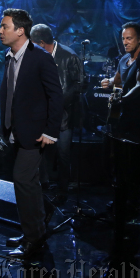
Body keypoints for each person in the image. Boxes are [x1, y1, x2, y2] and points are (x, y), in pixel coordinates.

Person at [0, 9, 63, 257]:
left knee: (23, 181)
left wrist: (50, 131)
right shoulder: (9, 56)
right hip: (16, 131)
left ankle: (33, 237)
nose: (0, 31)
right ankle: (34, 233)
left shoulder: (40, 57)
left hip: (35, 134)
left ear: (20, 30)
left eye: (5, 27)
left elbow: (55, 96)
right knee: (30, 184)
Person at [30, 24, 82, 204]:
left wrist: (60, 102)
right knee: (40, 151)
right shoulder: (37, 56)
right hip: (42, 114)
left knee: (63, 154)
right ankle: (43, 185)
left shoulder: (70, 56)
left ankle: (62, 190)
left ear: (42, 43)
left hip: (64, 116)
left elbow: (80, 84)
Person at [100, 22, 140, 143]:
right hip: (124, 115)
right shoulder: (124, 58)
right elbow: (117, 81)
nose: (125, 42)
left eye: (129, 38)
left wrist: (123, 99)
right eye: (123, 39)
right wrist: (107, 82)